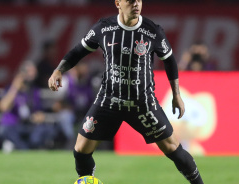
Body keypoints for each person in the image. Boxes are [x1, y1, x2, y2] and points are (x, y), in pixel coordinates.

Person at [48, 0, 204, 183]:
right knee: (81, 150)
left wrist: (176, 95)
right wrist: (59, 70)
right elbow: (78, 51)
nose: (136, 4)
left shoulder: (152, 30)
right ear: (118, 3)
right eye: (130, 1)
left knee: (173, 148)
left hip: (142, 104)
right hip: (109, 101)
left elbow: (169, 60)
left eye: (139, 0)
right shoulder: (103, 28)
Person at [0, 61, 56, 150]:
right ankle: (22, 148)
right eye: (30, 72)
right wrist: (15, 88)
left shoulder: (34, 91)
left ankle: (25, 148)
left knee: (45, 130)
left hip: (28, 125)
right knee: (5, 130)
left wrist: (38, 116)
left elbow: (38, 112)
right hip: (12, 125)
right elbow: (3, 107)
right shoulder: (11, 89)